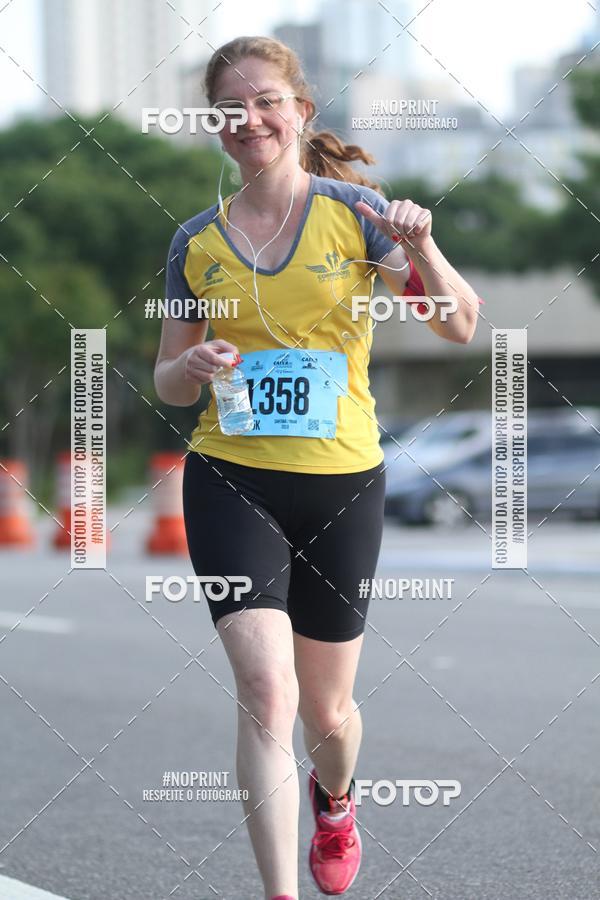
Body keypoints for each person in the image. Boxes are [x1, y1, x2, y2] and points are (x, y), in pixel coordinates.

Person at [154, 35, 480, 900]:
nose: (248, 119)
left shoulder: (358, 213)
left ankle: (335, 800)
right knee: (268, 695)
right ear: (215, 128)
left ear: (301, 112)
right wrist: (188, 370)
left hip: (343, 483)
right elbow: (166, 378)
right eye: (230, 108)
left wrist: (426, 245)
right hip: (231, 477)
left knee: (328, 712)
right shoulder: (196, 243)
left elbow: (459, 324)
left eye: (266, 100)